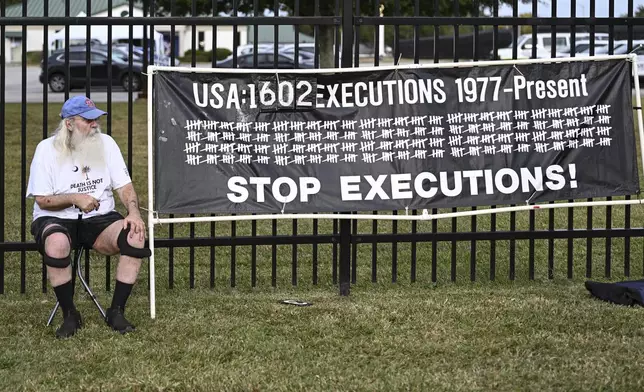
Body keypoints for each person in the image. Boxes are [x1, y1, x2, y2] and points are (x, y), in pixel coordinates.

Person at [26, 96, 150, 338]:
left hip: (99, 218)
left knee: (135, 234)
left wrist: (134, 212)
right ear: (69, 124)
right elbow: (42, 199)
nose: (95, 125)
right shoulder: (46, 149)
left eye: (97, 119)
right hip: (56, 218)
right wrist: (75, 198)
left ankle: (116, 311)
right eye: (88, 120)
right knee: (57, 242)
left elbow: (124, 186)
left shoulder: (107, 144)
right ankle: (70, 313)